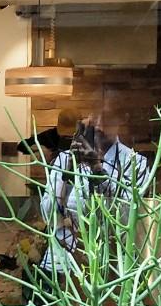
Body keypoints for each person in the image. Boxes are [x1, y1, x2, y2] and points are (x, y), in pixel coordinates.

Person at [39, 96, 151, 273]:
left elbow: (128, 220)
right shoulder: (64, 159)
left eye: (106, 118)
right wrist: (67, 172)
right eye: (95, 117)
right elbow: (48, 216)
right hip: (62, 264)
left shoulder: (135, 163)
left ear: (121, 120)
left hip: (114, 266)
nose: (98, 125)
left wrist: (97, 170)